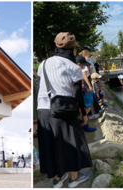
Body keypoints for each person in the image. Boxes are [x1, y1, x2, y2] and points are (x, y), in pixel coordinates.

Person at [37, 32, 92, 187]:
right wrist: (83, 114)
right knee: (72, 142)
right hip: (64, 109)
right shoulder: (73, 67)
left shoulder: (43, 64)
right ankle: (74, 178)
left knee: (50, 144)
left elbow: (40, 86)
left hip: (43, 109)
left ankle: (57, 179)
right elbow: (78, 94)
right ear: (73, 49)